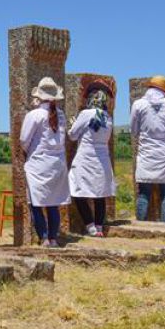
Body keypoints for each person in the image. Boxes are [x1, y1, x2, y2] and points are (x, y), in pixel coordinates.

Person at [19, 77, 71, 247]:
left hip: (39, 163)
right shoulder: (61, 115)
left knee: (36, 203)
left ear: (39, 96)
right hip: (58, 163)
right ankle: (53, 238)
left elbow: (24, 140)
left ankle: (43, 237)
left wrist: (27, 152)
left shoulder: (34, 115)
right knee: (53, 203)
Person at [68, 79, 117, 237]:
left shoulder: (86, 114)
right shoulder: (108, 119)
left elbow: (73, 135)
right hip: (102, 159)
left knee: (77, 191)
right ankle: (99, 227)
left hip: (85, 158)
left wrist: (73, 123)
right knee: (99, 194)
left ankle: (90, 226)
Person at [130, 75, 165, 223]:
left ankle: (141, 226)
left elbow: (134, 130)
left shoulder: (138, 104)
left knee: (144, 193)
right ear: (164, 90)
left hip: (146, 153)